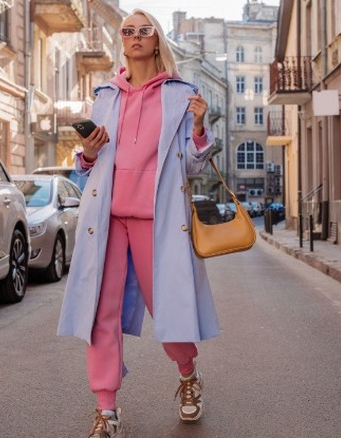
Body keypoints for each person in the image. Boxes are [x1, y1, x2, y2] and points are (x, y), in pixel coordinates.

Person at [56, 9, 219, 438]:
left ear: (156, 38)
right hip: (107, 222)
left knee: (169, 309)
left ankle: (187, 375)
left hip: (157, 219)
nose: (134, 36)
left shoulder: (182, 94)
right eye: (127, 30)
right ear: (122, 41)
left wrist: (200, 128)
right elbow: (87, 166)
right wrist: (88, 153)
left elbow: (194, 164)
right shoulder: (105, 94)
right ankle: (106, 409)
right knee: (100, 314)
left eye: (143, 30)